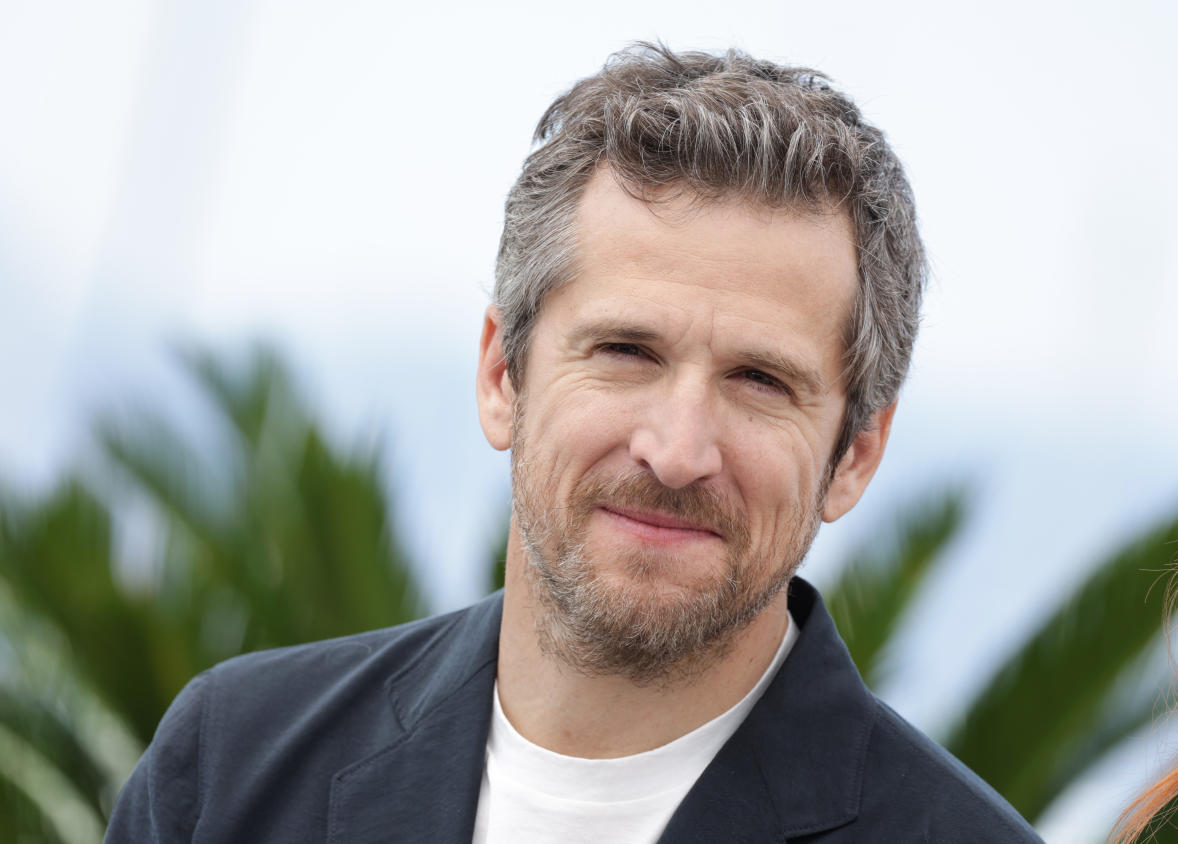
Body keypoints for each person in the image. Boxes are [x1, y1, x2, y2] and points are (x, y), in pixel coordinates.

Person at [106, 43, 1042, 842]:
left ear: (857, 453)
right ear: (502, 377)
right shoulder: (228, 769)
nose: (678, 452)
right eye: (627, 352)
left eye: (760, 382)